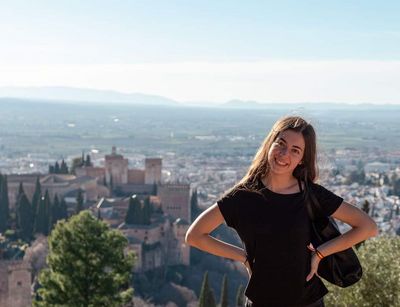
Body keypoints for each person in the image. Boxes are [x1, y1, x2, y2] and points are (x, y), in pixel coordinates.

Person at [185, 116, 378, 307]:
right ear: (270, 143)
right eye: (281, 144)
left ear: (302, 159)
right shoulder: (243, 196)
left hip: (307, 301)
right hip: (260, 300)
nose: (284, 154)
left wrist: (320, 254)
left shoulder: (311, 195)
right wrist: (243, 257)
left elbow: (368, 227)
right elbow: (194, 236)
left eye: (295, 150)